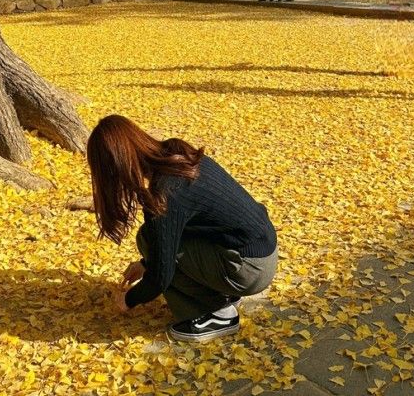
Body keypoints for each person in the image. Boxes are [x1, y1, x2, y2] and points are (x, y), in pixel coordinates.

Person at [87, 115, 278, 342]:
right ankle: (222, 291)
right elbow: (184, 229)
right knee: (152, 239)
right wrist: (144, 264)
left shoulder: (164, 195)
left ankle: (216, 313)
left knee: (149, 240)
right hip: (261, 249)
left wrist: (129, 300)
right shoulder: (177, 154)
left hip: (250, 269)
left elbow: (161, 276)